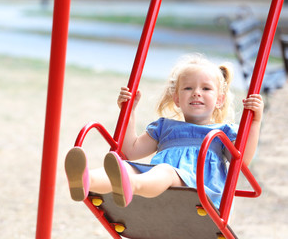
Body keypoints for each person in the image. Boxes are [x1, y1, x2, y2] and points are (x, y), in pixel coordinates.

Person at [65, 54, 264, 209]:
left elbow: (242, 160)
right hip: (157, 185)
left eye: (206, 89)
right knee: (126, 166)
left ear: (219, 100)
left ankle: (129, 185)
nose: (196, 92)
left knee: (165, 170)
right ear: (177, 98)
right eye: (188, 88)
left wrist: (255, 122)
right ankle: (85, 181)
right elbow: (131, 150)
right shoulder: (165, 127)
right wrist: (129, 112)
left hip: (198, 194)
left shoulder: (223, 133)